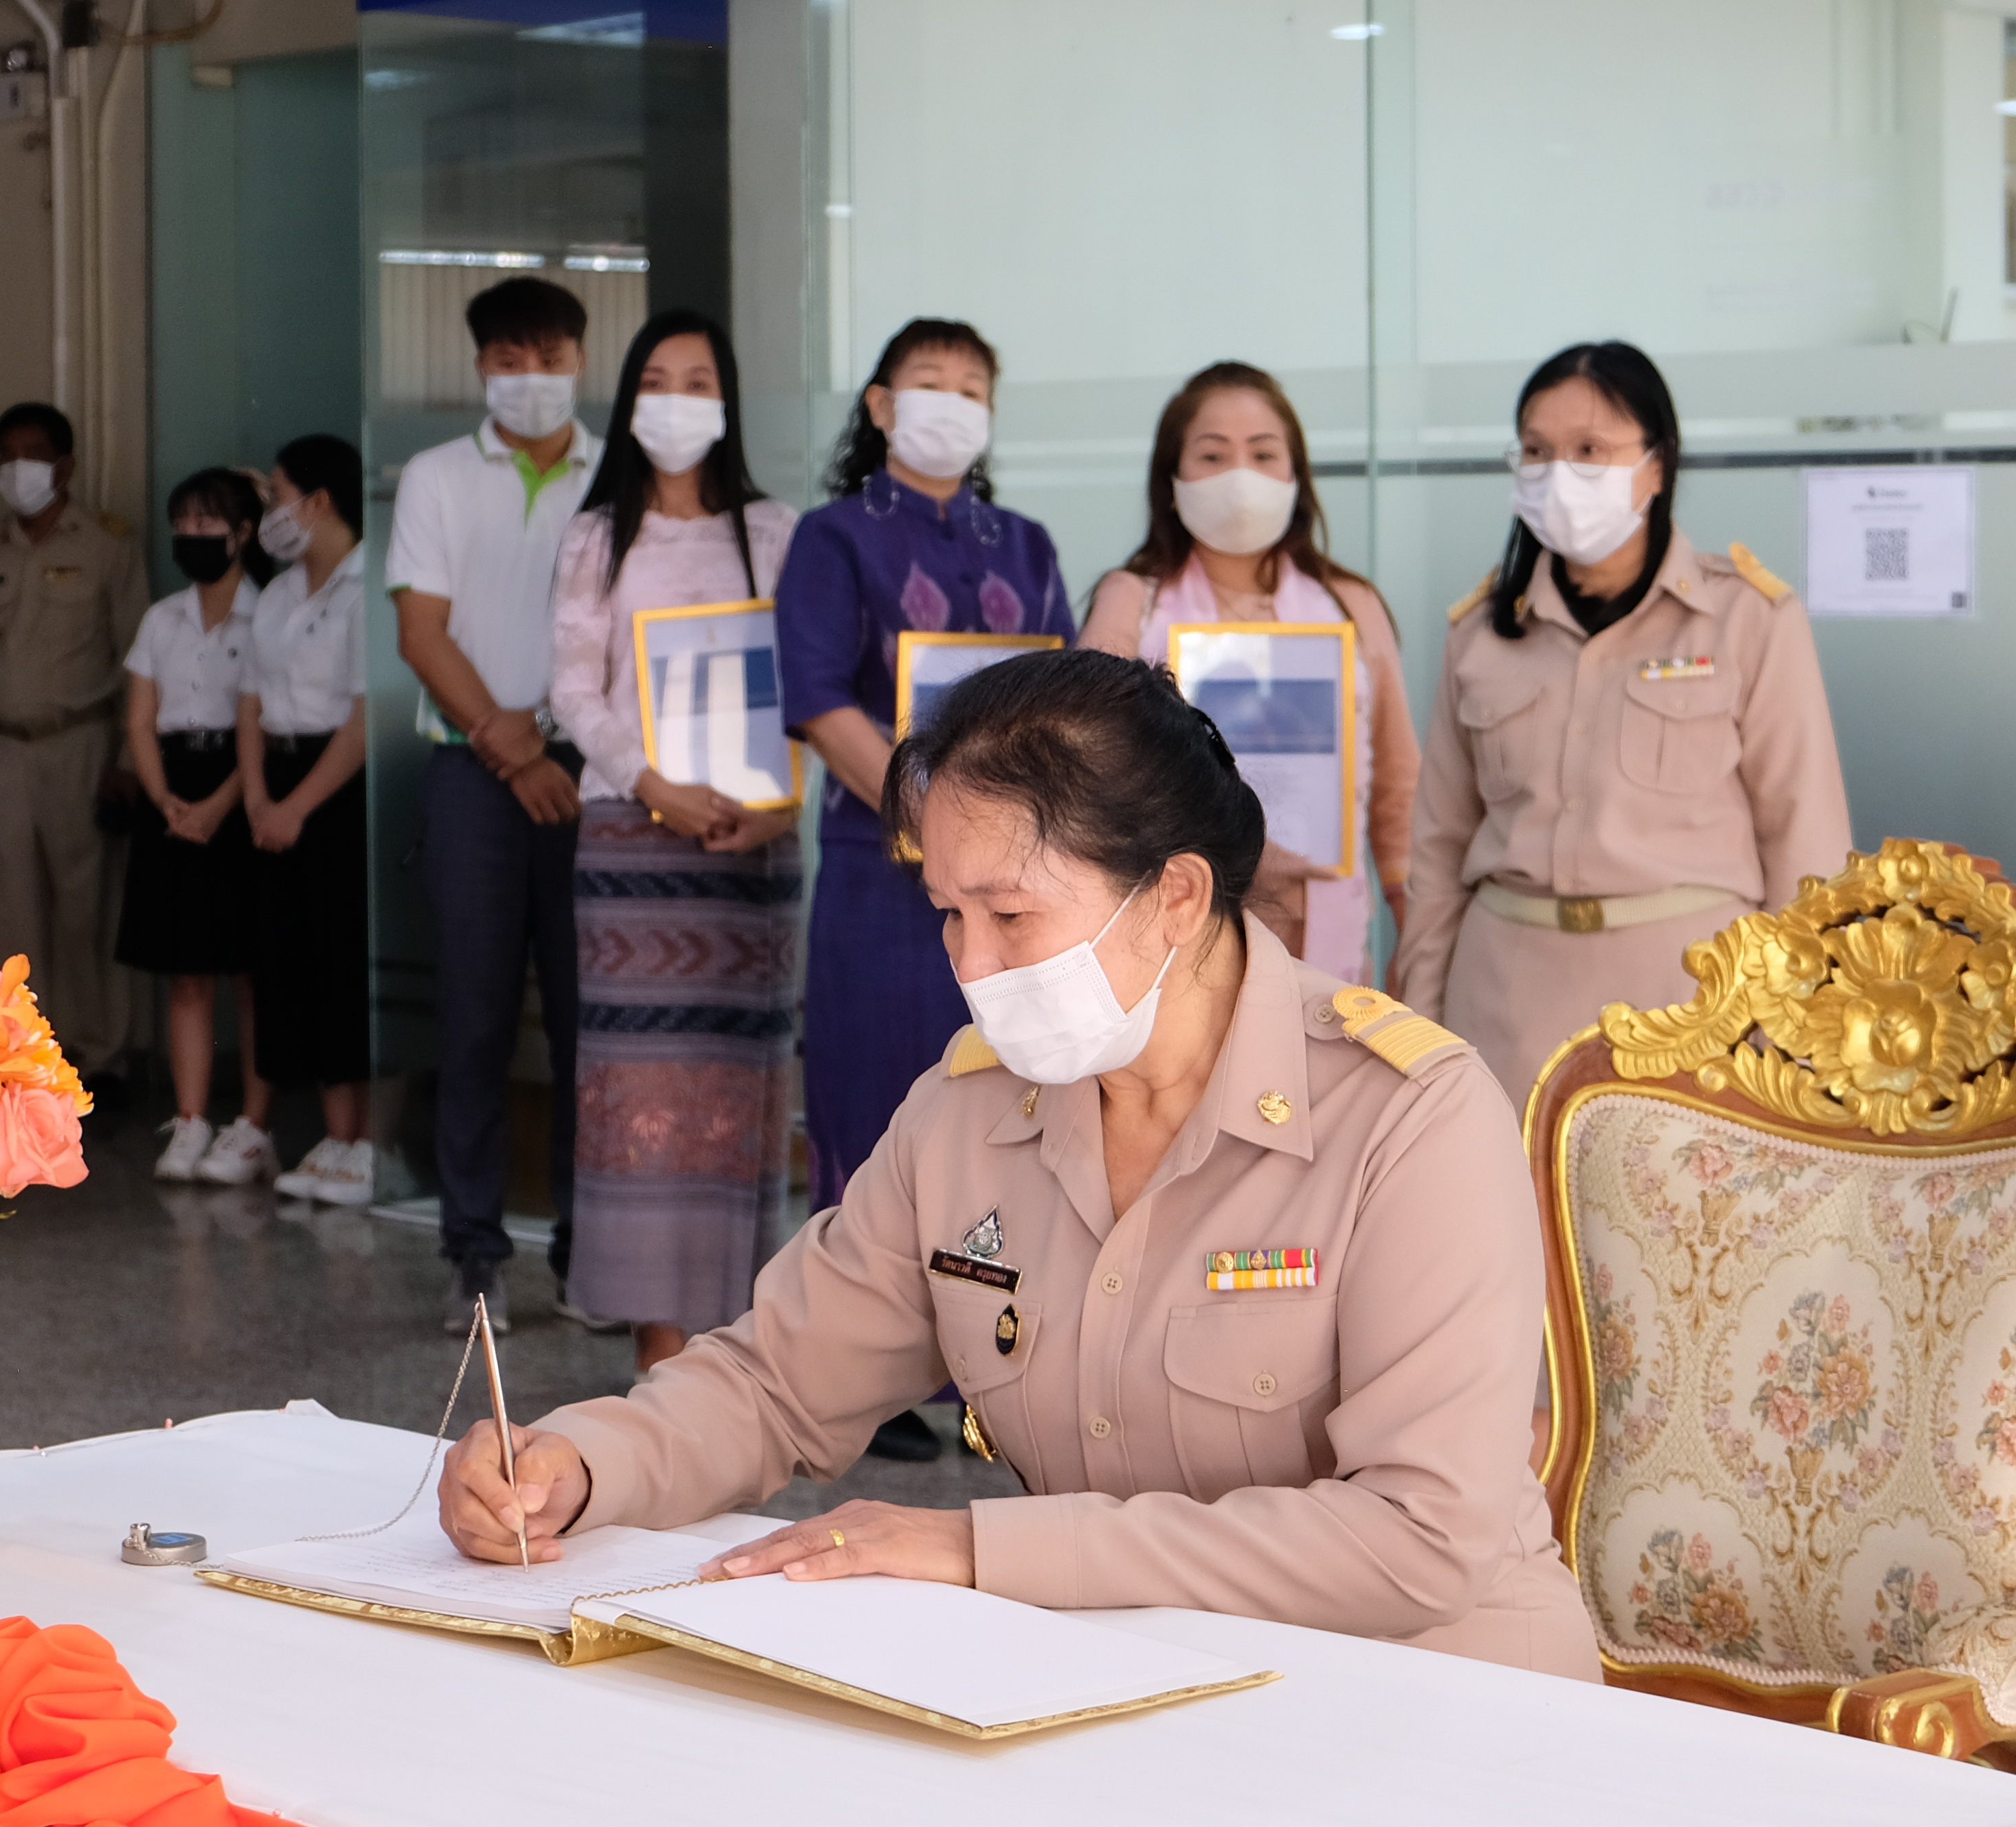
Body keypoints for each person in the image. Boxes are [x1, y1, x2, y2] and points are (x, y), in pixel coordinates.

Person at [434, 650, 1600, 1682]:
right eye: (948, 912)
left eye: (1010, 914)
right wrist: (580, 1464)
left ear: (1176, 897)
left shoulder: (1407, 1118)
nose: (971, 964)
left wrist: (981, 1548)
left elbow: (1416, 1536)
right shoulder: (967, 1117)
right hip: (1121, 1680)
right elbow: (777, 1383)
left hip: (1431, 1693)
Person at [1391, 341, 1851, 1102]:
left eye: (1589, 450)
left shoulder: (1746, 618)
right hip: (1503, 1006)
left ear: (1657, 465)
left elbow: (1806, 847)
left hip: (1695, 1006)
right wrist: (1421, 1031)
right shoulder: (1481, 633)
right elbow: (1437, 854)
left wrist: (1789, 1044)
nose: (1558, 474)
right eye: (1536, 451)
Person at [772, 316, 1073, 1459]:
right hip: (881, 873)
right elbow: (817, 696)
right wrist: (929, 818)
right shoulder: (833, 536)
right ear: (883, 405)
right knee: (875, 1101)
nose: (953, 401)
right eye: (930, 382)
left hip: (1016, 883)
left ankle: (992, 1360)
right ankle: (870, 1373)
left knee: (1008, 1105)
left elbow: (1062, 695)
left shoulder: (1027, 543)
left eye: (973, 386)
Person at [545, 311, 800, 1375]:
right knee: (642, 1095)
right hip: (633, 845)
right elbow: (571, 692)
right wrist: (657, 788)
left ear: (727, 400)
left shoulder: (778, 532)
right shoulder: (595, 536)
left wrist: (779, 802)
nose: (678, 400)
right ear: (629, 400)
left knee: (739, 1097)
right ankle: (658, 1352)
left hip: (751, 850)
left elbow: (806, 683)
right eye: (658, 379)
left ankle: (737, 1354)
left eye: (700, 380)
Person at [389, 276, 607, 1334]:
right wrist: (513, 751)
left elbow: (628, 630)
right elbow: (420, 631)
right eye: (511, 360)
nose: (532, 378)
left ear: (580, 360)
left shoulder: (620, 477)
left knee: (586, 1026)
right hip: (473, 775)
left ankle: (584, 1256)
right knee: (473, 1020)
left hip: (593, 768)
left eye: (550, 357)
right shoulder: (436, 476)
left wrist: (550, 737)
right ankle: (474, 1255)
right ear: (480, 366)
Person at [1079, 362, 1418, 980]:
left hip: (1327, 933)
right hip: (1176, 921)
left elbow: (1398, 782)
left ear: (1296, 477)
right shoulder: (1132, 600)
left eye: (1264, 455)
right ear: (1172, 478)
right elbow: (1094, 757)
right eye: (1213, 456)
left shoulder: (1349, 605)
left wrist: (1412, 925)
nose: (1241, 476)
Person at [0, 401, 147, 1079]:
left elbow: (136, 659)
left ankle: (99, 1053)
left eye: (32, 454)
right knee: (11, 909)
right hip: (2, 751)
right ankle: (23, 1054)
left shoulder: (108, 546)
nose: (17, 468)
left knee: (87, 910)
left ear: (66, 466)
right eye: (6, 456)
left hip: (82, 747)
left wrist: (128, 760)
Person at [124, 467, 273, 1188]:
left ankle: (255, 1123)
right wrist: (166, 801)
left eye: (207, 524)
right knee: (187, 970)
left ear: (243, 533)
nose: (191, 536)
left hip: (243, 784)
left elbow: (264, 723)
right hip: (173, 787)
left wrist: (219, 805)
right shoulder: (162, 618)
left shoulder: (268, 613)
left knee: (251, 969)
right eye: (182, 524)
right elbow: (139, 721)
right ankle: (189, 1120)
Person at [238, 435, 373, 1207]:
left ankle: (363, 1141)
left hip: (339, 788)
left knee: (343, 958)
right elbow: (251, 702)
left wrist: (295, 807)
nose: (271, 513)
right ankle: (330, 1134)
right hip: (278, 780)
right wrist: (260, 798)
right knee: (291, 958)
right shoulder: (280, 593)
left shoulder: (367, 586)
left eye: (277, 495)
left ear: (319, 501)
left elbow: (362, 719)